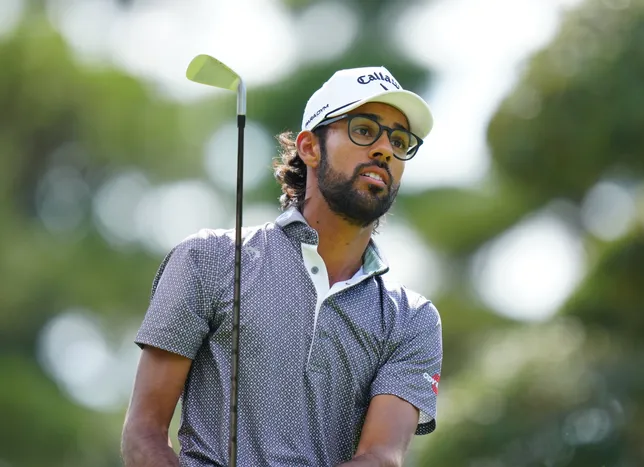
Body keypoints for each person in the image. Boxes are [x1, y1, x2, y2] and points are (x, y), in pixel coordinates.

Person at [121, 65, 443, 467]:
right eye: (364, 130)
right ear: (310, 148)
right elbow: (144, 433)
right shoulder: (208, 259)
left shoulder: (412, 319)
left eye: (399, 141)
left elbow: (381, 457)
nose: (385, 150)